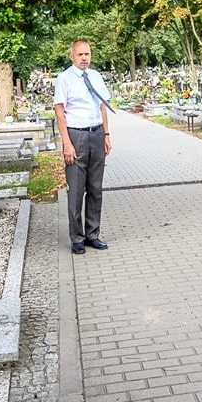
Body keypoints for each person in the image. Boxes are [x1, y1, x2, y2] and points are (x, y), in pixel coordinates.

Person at [54, 40, 113, 255]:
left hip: (96, 133)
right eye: (80, 54)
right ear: (72, 56)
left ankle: (93, 234)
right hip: (76, 136)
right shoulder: (64, 79)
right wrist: (67, 144)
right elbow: (59, 112)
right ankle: (77, 237)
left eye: (87, 54)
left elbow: (102, 107)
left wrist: (106, 134)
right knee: (77, 190)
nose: (84, 58)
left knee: (96, 188)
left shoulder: (96, 77)